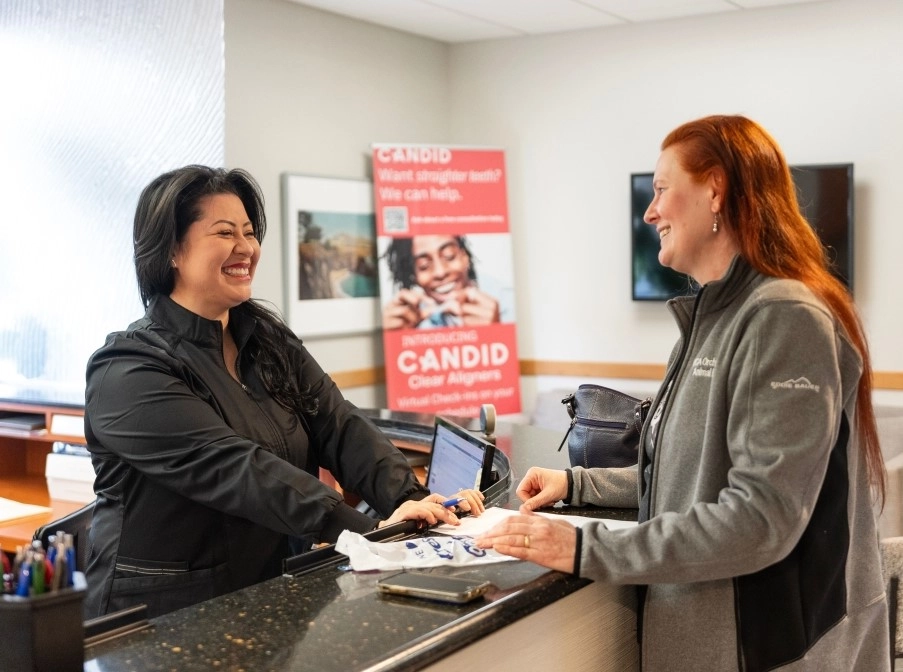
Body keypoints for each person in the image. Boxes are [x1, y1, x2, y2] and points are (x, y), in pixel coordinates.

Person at [476, 115, 889, 671]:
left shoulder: (785, 316)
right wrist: (577, 482)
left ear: (714, 190)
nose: (650, 212)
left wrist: (581, 547)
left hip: (769, 649)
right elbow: (687, 472)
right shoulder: (709, 318)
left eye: (662, 190)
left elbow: (760, 519)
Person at [83, 165, 484, 619]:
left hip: (268, 591)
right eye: (225, 232)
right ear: (172, 249)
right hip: (162, 614)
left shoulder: (266, 339)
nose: (246, 248)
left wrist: (406, 498)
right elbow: (237, 469)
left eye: (250, 232)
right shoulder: (127, 369)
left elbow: (338, 423)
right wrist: (363, 532)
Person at [381, 234, 502, 329]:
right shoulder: (412, 319)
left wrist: (493, 333)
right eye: (423, 266)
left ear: (465, 257)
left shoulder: (508, 301)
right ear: (413, 276)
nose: (440, 272)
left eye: (449, 256)